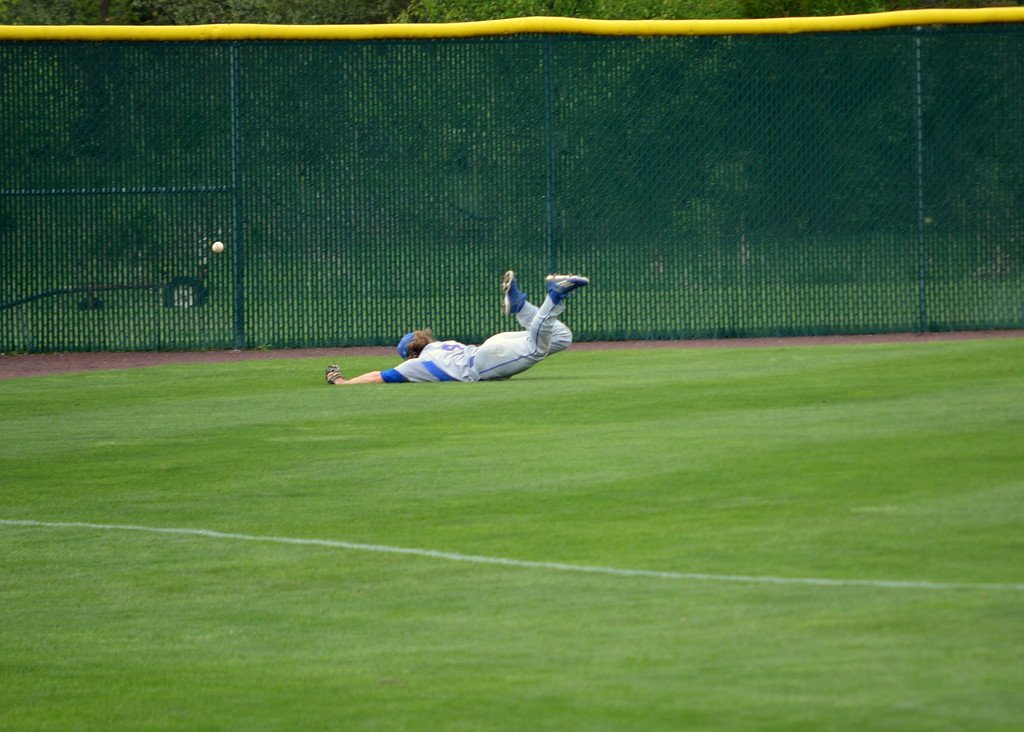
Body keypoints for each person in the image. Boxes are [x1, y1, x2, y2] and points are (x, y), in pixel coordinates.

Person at [324, 271, 589, 385]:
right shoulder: (439, 345)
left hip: (485, 361)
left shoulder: (417, 364)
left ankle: (555, 295)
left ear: (410, 354)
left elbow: (377, 377)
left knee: (536, 347)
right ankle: (520, 306)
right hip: (490, 346)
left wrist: (342, 381)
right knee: (562, 337)